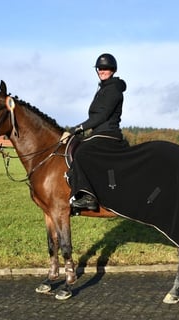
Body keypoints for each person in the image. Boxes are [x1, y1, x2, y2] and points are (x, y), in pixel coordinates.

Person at [63, 53, 129, 211]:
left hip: (108, 134)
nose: (102, 70)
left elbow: (102, 116)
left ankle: (88, 197)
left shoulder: (113, 89)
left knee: (83, 152)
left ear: (113, 70)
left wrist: (75, 129)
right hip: (98, 133)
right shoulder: (103, 89)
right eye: (100, 68)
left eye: (106, 68)